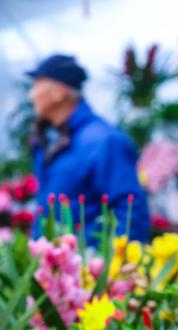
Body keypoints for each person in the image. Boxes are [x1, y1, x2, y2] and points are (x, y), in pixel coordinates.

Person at [28, 54, 150, 244]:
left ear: (59, 91)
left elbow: (130, 210)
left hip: (86, 266)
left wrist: (113, 265)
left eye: (37, 85)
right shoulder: (51, 138)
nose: (32, 94)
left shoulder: (104, 141)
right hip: (56, 265)